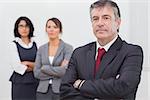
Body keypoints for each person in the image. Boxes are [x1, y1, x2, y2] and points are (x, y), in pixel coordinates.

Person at [60, 0, 143, 100]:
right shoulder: (79, 53)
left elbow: (123, 86)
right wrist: (110, 86)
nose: (100, 23)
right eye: (95, 19)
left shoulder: (132, 52)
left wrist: (81, 84)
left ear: (118, 22)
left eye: (106, 18)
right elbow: (65, 90)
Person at [33, 17, 73, 100]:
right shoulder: (41, 49)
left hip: (60, 90)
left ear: (60, 30)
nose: (51, 30)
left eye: (55, 27)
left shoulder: (68, 48)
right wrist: (57, 71)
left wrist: (44, 68)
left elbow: (65, 71)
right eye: (49, 27)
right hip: (42, 91)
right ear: (46, 30)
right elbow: (36, 73)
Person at [9, 16, 39, 100]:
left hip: (35, 83)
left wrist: (27, 63)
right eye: (21, 26)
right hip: (20, 84)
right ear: (17, 28)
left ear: (30, 28)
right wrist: (35, 66)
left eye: (26, 26)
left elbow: (41, 64)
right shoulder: (13, 44)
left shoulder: (36, 44)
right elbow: (17, 67)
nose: (24, 29)